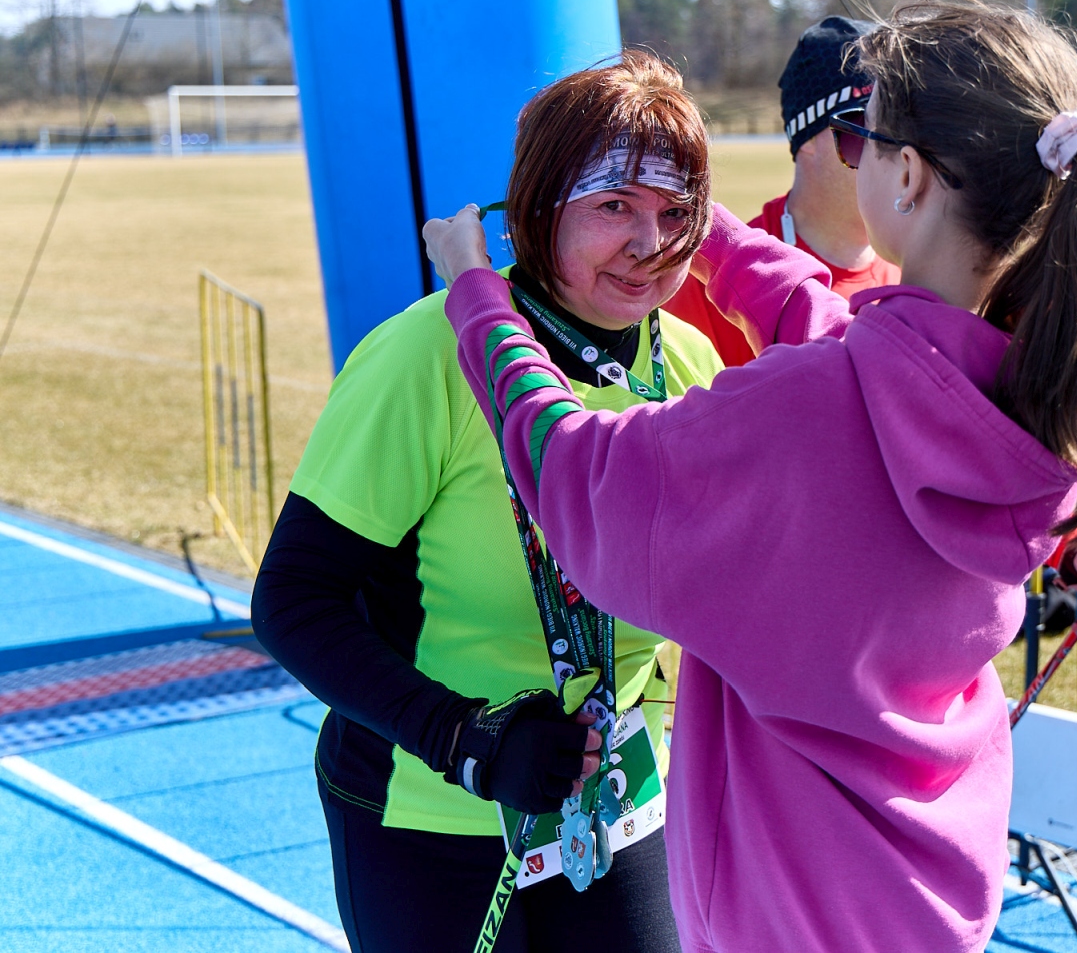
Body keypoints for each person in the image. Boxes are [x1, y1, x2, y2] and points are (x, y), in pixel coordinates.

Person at [426, 0, 1077, 953]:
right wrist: (708, 235)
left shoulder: (802, 408)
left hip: (787, 914)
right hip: (930, 894)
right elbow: (859, 345)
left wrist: (477, 297)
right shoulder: (1032, 390)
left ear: (908, 175)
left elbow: (575, 475)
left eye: (867, 142)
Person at [252, 52, 724, 953]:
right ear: (538, 210)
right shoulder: (423, 356)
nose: (648, 242)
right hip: (432, 812)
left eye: (674, 213)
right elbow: (292, 603)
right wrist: (468, 739)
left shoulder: (692, 367)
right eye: (614, 206)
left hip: (620, 805)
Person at [664, 15, 897, 366]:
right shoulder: (713, 281)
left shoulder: (920, 271)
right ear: (807, 138)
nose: (894, 151)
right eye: (863, 128)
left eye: (903, 130)